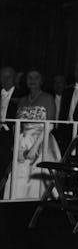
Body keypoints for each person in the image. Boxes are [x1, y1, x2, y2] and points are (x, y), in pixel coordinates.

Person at [2, 70, 60, 200]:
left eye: (36, 77)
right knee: (18, 179)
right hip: (23, 141)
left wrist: (35, 148)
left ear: (42, 81)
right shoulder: (22, 100)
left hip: (42, 141)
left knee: (37, 181)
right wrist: (18, 146)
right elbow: (17, 126)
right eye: (29, 77)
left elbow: (50, 124)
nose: (32, 80)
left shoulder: (48, 98)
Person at [0, 66, 19, 177]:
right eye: (3, 76)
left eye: (9, 76)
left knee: (7, 169)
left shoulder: (22, 95)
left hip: (11, 136)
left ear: (15, 78)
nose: (5, 79)